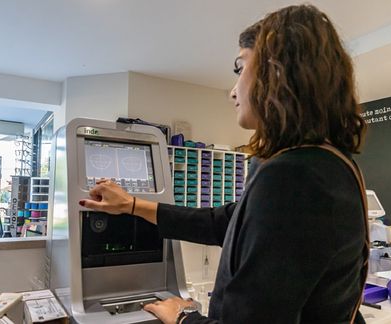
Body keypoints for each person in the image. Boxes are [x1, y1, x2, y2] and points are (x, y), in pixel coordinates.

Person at [79, 4, 368, 324]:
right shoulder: (326, 164)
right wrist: (133, 205)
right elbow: (230, 221)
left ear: (277, 72)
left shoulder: (294, 176)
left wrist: (183, 317)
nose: (233, 91)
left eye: (240, 68)